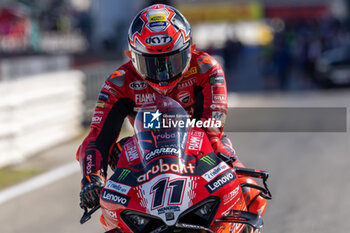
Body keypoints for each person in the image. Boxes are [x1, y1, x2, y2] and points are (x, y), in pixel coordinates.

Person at [77, 4, 267, 220]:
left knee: (251, 194)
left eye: (172, 60)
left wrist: (226, 161)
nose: (163, 72)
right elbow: (96, 139)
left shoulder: (207, 68)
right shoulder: (119, 82)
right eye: (152, 64)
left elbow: (212, 130)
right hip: (143, 159)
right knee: (110, 209)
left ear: (188, 50)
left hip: (200, 149)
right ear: (133, 57)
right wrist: (91, 178)